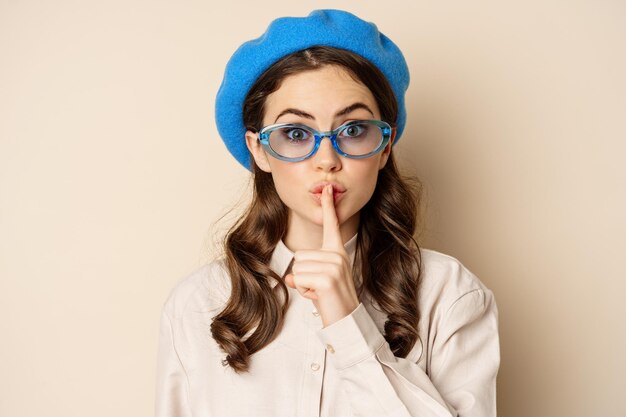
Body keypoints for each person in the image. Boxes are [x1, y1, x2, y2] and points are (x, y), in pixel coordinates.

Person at [155, 9, 500, 417]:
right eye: (295, 134)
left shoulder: (450, 295)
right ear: (259, 150)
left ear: (385, 146)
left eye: (353, 130)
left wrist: (347, 320)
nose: (326, 160)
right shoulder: (198, 304)